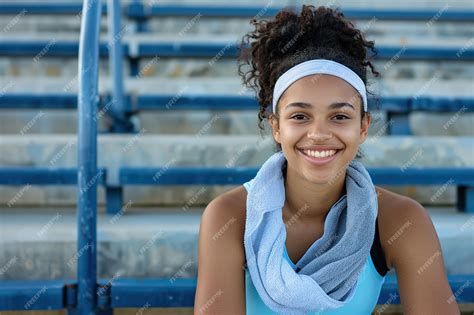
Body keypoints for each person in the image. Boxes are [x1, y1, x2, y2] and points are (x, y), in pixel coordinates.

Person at [194, 5, 459, 315]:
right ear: (277, 126)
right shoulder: (230, 216)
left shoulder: (399, 220)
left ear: (363, 127)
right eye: (300, 116)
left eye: (339, 116)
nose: (319, 134)